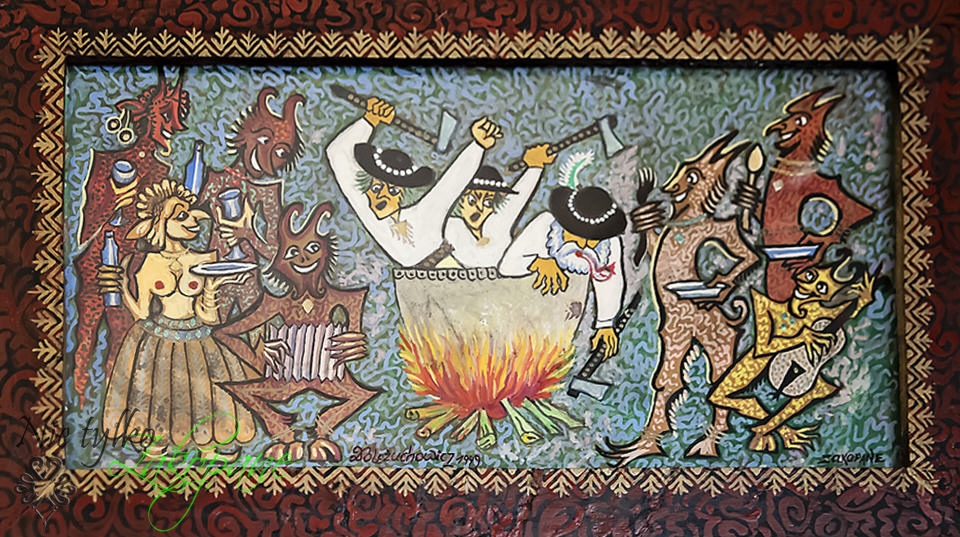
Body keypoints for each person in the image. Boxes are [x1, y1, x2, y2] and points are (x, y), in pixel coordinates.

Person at [98, 179, 256, 453]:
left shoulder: (205, 260)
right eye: (181, 216)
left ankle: (208, 448)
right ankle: (155, 448)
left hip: (198, 337)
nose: (193, 221)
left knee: (205, 394)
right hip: (158, 340)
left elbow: (210, 318)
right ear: (160, 224)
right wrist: (123, 288)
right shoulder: (149, 263)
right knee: (159, 394)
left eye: (190, 214)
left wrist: (213, 288)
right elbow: (142, 313)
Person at [326, 97, 502, 266]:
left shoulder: (421, 216)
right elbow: (337, 153)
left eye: (393, 191)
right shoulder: (365, 206)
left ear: (402, 195)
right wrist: (369, 120)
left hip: (448, 272)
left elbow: (451, 184)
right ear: (368, 187)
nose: (382, 196)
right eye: (377, 188)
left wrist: (478, 146)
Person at [499, 185, 627, 360]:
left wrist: (605, 324)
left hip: (564, 321)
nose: (582, 245)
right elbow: (507, 265)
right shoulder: (544, 225)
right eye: (577, 235)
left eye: (591, 241)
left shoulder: (609, 244)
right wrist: (538, 262)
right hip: (521, 313)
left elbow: (610, 283)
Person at [437, 144, 554, 268]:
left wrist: (535, 167)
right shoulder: (453, 227)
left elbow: (515, 201)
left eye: (487, 203)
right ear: (461, 201)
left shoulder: (495, 225)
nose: (479, 208)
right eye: (472, 201)